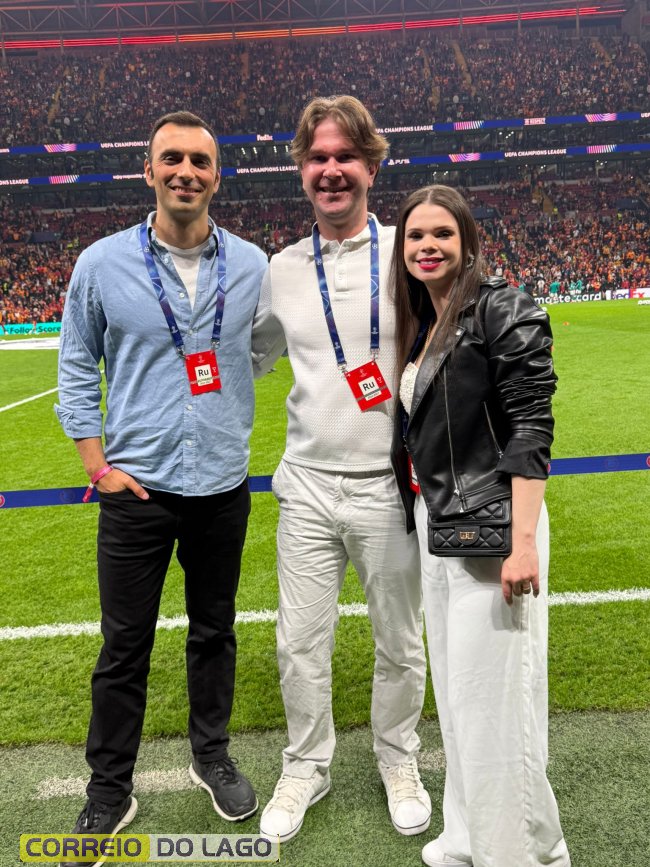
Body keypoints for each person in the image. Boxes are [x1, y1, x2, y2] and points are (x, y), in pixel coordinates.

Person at [55, 111, 267, 865]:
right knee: (124, 646)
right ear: (148, 171)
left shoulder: (252, 265)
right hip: (135, 491)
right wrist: (97, 466)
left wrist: (226, 406)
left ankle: (212, 755)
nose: (185, 172)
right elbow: (76, 363)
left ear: (217, 176)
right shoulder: (101, 263)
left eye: (200, 162)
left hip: (221, 486)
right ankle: (110, 788)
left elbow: (264, 348)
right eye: (171, 159)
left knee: (215, 631)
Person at [251, 95, 430, 843]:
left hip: (389, 486)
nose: (331, 170)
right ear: (301, 168)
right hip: (308, 485)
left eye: (346, 157)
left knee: (401, 641)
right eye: (318, 157)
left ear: (371, 167)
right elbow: (249, 358)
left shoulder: (408, 254)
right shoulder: (281, 270)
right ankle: (306, 765)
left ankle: (398, 758)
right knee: (299, 641)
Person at [389, 185, 571, 867]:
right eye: (415, 236)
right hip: (444, 525)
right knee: (462, 698)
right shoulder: (426, 321)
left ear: (467, 241)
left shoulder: (502, 307)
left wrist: (523, 543)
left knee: (497, 707)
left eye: (442, 233)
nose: (427, 246)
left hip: (495, 531)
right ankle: (479, 839)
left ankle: (510, 856)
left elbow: (531, 428)